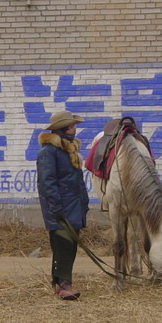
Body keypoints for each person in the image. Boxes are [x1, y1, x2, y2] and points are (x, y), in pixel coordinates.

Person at [36, 110, 90, 300]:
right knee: (63, 245)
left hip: (74, 207)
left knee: (70, 245)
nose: (75, 130)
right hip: (59, 209)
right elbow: (47, 183)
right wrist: (55, 208)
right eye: (72, 126)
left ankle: (60, 283)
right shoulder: (48, 153)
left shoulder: (69, 151)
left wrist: (84, 202)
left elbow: (78, 181)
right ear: (62, 129)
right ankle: (65, 285)